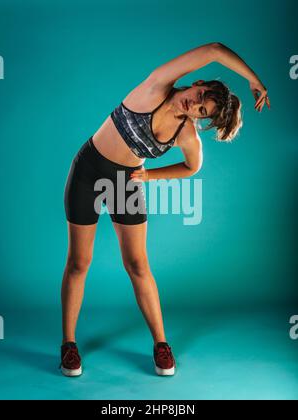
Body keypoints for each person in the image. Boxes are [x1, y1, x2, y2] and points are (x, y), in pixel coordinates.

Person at [61, 42, 270, 377]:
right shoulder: (158, 85)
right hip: (88, 171)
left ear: (200, 120)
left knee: (138, 264)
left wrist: (150, 175)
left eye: (202, 111)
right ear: (199, 84)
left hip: (125, 183)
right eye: (201, 96)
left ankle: (161, 344)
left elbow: (192, 167)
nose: (195, 104)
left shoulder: (185, 133)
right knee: (79, 262)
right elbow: (215, 49)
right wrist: (254, 79)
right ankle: (68, 345)